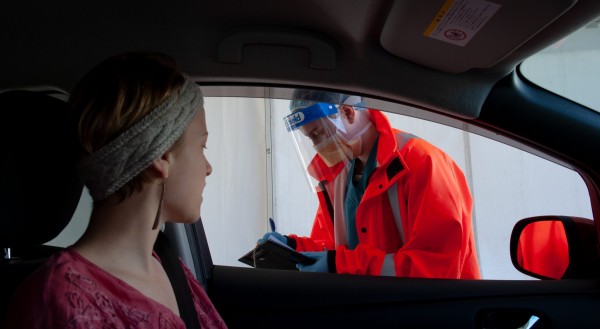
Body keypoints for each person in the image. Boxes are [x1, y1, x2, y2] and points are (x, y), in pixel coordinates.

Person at [3, 52, 227, 328]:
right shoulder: (62, 303)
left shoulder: (166, 265)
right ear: (162, 156)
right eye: (202, 146)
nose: (208, 168)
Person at [261, 90, 481, 278]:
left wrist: (340, 265)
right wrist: (292, 247)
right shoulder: (339, 177)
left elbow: (436, 267)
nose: (317, 146)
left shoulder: (423, 163)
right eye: (310, 139)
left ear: (347, 112)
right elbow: (334, 248)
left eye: (319, 133)